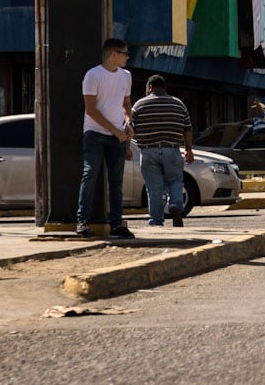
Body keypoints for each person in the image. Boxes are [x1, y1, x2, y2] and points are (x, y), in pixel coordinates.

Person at [77, 37, 134, 239]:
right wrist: (115, 130)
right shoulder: (93, 75)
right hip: (94, 134)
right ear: (113, 55)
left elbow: (126, 103)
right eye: (124, 54)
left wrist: (128, 123)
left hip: (118, 135)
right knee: (90, 174)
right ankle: (82, 221)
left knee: (116, 182)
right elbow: (91, 110)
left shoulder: (126, 76)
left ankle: (117, 224)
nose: (128, 57)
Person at [130, 74, 195, 227]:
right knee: (175, 181)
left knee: (154, 187)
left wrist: (127, 147)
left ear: (150, 87)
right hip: (172, 150)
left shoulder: (139, 105)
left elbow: (130, 128)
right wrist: (189, 150)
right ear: (164, 87)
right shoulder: (179, 104)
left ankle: (156, 220)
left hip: (148, 151)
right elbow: (188, 129)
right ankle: (176, 205)